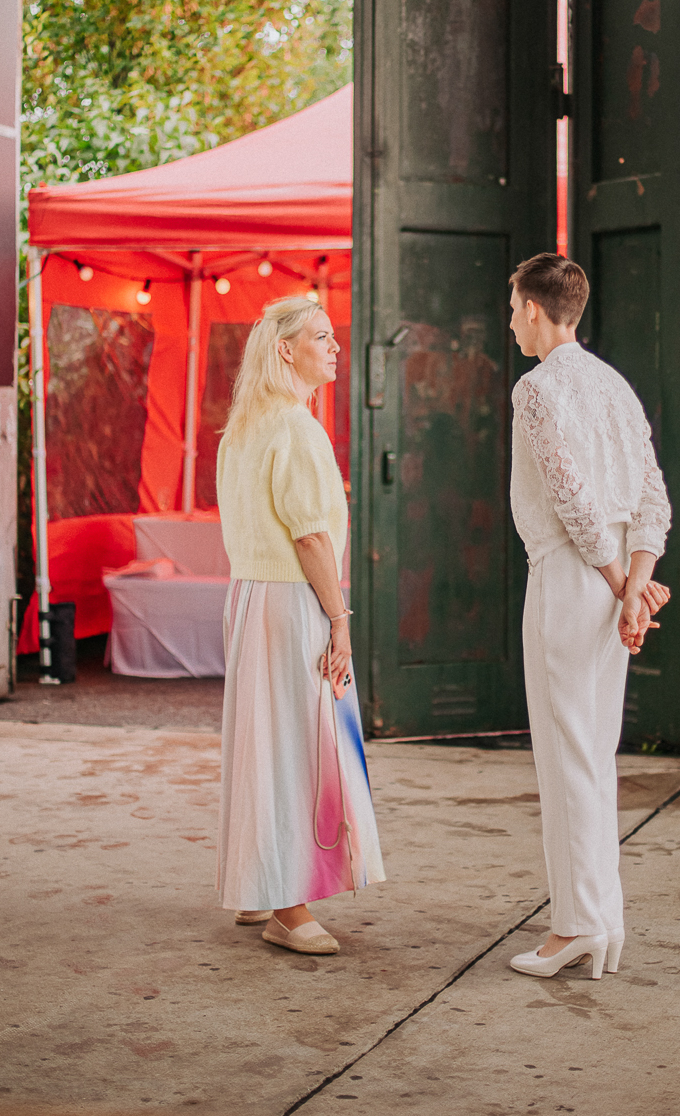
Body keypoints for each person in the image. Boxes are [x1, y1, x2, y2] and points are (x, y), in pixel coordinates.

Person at [506, 254, 671, 981]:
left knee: (566, 755)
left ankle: (574, 926)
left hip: (572, 582)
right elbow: (653, 498)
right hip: (610, 586)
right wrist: (637, 582)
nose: (511, 320)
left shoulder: (537, 389)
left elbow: (571, 496)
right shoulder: (614, 385)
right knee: (593, 753)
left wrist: (617, 582)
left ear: (538, 310)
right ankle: (601, 921)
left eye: (514, 308)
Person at [215, 295, 384, 955]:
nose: (335, 346)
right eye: (322, 336)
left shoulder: (243, 427)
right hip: (291, 604)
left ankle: (258, 886)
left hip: (252, 598)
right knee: (300, 750)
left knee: (260, 743)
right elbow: (312, 538)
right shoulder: (296, 428)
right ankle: (290, 906)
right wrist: (339, 620)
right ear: (286, 349)